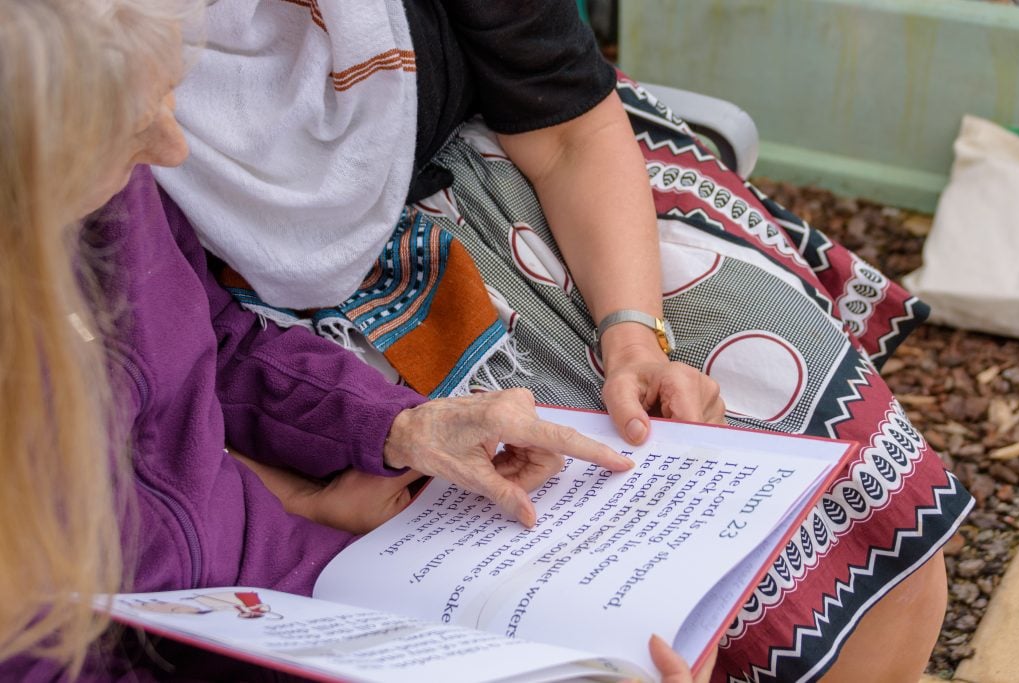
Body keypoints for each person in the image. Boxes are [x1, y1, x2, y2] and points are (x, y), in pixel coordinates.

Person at [151, 2, 973, 682]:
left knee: (812, 426)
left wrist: (633, 335)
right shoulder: (86, 89)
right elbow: (141, 380)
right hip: (247, 328)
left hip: (522, 186)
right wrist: (310, 485)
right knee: (557, 578)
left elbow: (569, 125)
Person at [0, 0, 647, 679]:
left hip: (304, 586)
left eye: (167, 96)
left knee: (620, 640)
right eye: (131, 132)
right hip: (227, 636)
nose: (173, 151)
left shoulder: (108, 172)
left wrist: (398, 424)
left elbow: (218, 343)